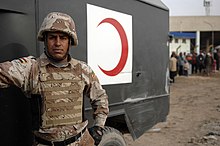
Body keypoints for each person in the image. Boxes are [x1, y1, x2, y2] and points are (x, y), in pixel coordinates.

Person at [0, 12, 109, 146]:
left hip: (81, 142)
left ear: (70, 41)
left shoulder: (82, 70)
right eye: (52, 37)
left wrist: (99, 126)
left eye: (63, 38)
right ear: (45, 40)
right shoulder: (30, 69)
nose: (57, 43)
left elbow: (100, 97)